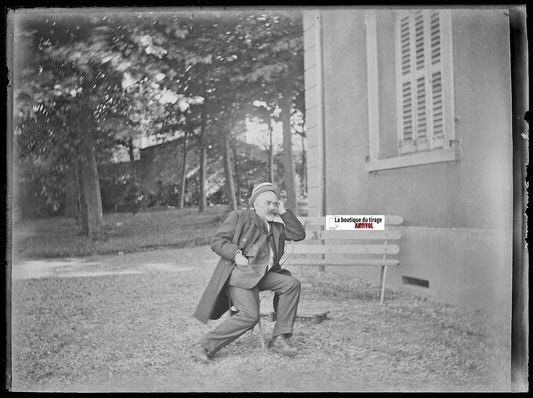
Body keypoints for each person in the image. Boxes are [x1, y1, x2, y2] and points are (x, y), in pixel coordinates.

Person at [192, 182, 306, 362]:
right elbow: (217, 240)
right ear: (255, 205)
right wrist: (236, 254)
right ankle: (204, 345)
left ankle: (279, 338)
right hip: (241, 275)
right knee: (250, 316)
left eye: (275, 204)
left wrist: (283, 211)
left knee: (291, 284)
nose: (272, 207)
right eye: (268, 203)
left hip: (263, 276)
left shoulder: (277, 227)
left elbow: (299, 234)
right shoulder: (240, 217)